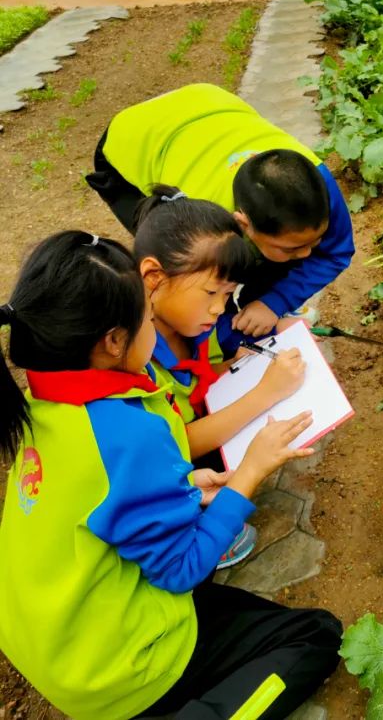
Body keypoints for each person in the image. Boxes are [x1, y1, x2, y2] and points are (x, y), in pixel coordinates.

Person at [0, 231, 341, 719]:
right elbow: (182, 569)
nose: (153, 326)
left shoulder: (42, 403)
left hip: (51, 635)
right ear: (113, 340)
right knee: (315, 637)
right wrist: (249, 473)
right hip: (113, 670)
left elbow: (102, 505)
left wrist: (182, 491)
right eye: (146, 316)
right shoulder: (124, 432)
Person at [85, 83, 355, 349]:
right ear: (243, 223)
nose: (307, 254)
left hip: (205, 103)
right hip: (131, 138)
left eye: (314, 241)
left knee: (271, 262)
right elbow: (189, 299)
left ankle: (256, 307)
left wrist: (273, 303)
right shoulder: (195, 227)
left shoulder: (315, 186)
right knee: (185, 280)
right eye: (294, 247)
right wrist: (259, 334)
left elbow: (335, 252)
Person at [133, 186, 309, 568]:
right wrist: (265, 392)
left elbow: (201, 378)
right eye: (211, 292)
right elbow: (178, 443)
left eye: (227, 294)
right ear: (153, 277)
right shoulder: (134, 356)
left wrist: (237, 367)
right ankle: (194, 532)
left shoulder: (192, 325)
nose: (218, 309)